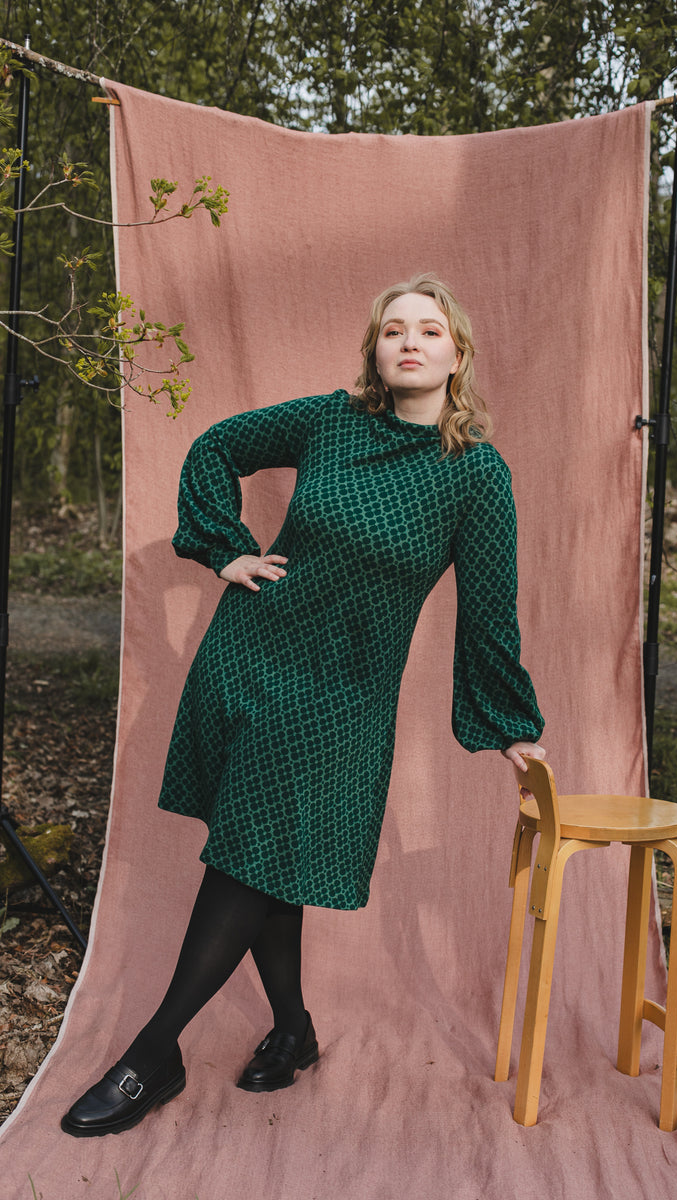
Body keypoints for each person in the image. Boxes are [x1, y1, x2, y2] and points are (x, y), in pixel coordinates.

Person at [61, 272, 545, 1138]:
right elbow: (215, 446)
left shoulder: (476, 475)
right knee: (260, 857)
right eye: (393, 330)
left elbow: (489, 609)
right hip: (254, 656)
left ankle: (156, 1051)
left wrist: (512, 727)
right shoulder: (332, 420)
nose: (409, 341)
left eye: (429, 330)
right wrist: (226, 550)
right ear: (375, 351)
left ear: (457, 355)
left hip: (345, 697)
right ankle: (281, 1032)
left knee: (255, 855)